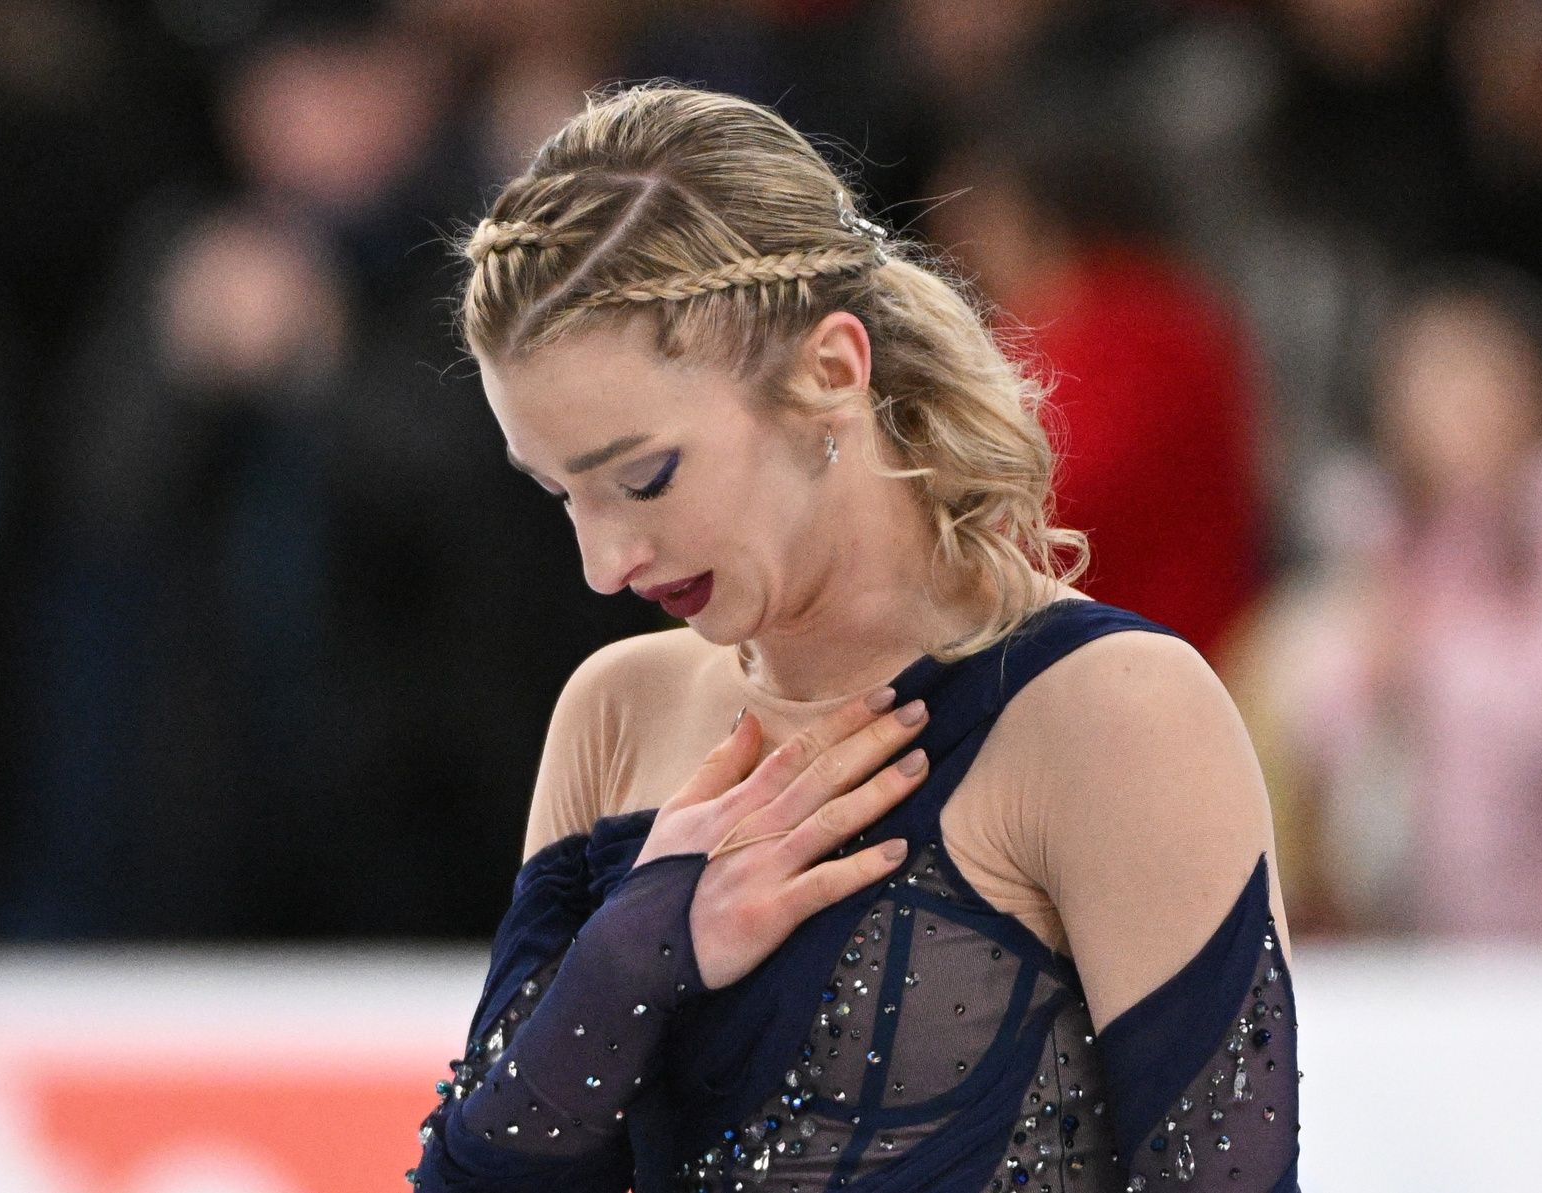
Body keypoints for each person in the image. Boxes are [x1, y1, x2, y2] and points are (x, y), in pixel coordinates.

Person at [409, 83, 1300, 1193]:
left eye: (642, 477)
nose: (603, 564)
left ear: (830, 368)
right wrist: (632, 961)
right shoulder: (617, 711)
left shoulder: (1111, 713)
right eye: (559, 495)